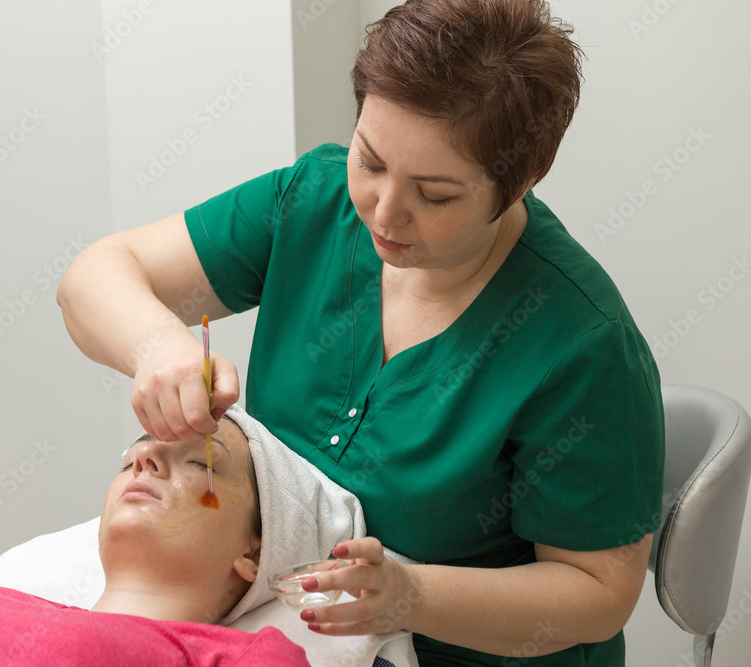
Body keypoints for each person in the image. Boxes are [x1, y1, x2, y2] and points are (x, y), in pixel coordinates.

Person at [55, 1, 665, 665]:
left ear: (521, 180)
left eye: (434, 195)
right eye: (370, 160)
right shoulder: (312, 203)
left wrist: (413, 596)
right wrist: (157, 346)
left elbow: (598, 593)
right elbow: (93, 279)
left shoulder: (580, 344)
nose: (384, 210)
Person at [0, 415, 311, 667]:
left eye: (197, 461)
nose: (144, 457)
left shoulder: (246, 657)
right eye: (133, 454)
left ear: (254, 551)